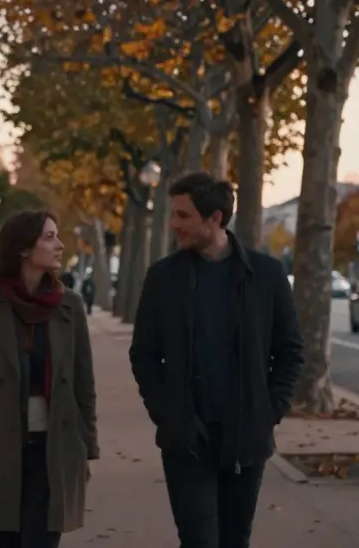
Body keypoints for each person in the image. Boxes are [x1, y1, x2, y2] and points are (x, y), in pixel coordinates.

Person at [129, 172, 304, 548]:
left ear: (216, 219)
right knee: (199, 540)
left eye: (183, 215)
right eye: (173, 214)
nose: (174, 224)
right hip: (187, 440)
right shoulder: (163, 278)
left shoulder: (267, 275)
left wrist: (268, 411)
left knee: (234, 539)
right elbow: (144, 355)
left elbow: (290, 352)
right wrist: (167, 412)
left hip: (246, 438)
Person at [0, 210, 99, 548]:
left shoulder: (70, 306)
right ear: (24, 249)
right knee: (8, 541)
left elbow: (84, 386)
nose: (59, 245)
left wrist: (87, 448)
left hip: (55, 447)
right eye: (49, 237)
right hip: (0, 447)